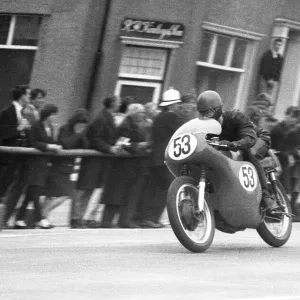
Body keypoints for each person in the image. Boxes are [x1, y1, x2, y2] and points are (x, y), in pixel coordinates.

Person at [196, 90, 281, 215]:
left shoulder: (235, 116)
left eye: (208, 112)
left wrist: (233, 144)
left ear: (218, 109)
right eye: (202, 113)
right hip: (235, 146)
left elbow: (250, 138)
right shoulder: (205, 127)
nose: (206, 116)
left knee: (250, 152)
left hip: (258, 138)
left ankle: (266, 197)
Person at [76, 96, 122, 228]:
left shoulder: (108, 117)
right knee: (85, 189)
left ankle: (84, 218)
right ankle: (77, 218)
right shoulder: (100, 118)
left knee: (91, 190)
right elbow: (96, 139)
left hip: (101, 160)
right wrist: (109, 148)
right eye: (117, 102)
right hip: (93, 160)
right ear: (112, 104)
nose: (119, 104)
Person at [14, 104, 62, 229]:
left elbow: (51, 141)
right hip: (34, 162)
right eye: (53, 115)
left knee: (32, 191)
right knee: (35, 190)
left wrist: (57, 145)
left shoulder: (50, 127)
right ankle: (40, 219)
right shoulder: (36, 126)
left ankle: (19, 219)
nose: (55, 118)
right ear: (47, 115)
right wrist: (49, 147)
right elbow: (33, 142)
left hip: (45, 163)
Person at [141, 87, 183, 228]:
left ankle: (145, 217)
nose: (178, 106)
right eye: (177, 104)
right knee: (167, 189)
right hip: (166, 157)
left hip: (155, 157)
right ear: (172, 105)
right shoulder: (172, 117)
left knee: (153, 188)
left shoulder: (158, 116)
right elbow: (179, 133)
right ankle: (152, 219)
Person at [43, 109, 90, 228]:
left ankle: (43, 218)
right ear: (75, 121)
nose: (82, 126)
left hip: (69, 167)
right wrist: (77, 134)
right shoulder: (64, 129)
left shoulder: (80, 131)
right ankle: (42, 215)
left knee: (53, 194)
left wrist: (81, 134)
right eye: (80, 123)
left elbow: (86, 146)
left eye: (84, 124)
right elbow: (66, 144)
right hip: (58, 166)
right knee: (63, 194)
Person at [0, 85, 31, 200]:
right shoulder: (7, 112)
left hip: (18, 156)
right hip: (6, 157)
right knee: (2, 185)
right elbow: (3, 133)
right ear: (22, 96)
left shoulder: (25, 113)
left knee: (10, 184)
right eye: (28, 94)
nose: (29, 97)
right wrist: (19, 129)